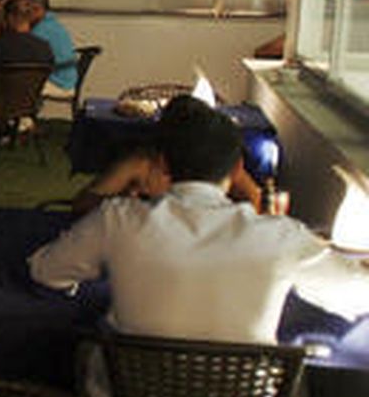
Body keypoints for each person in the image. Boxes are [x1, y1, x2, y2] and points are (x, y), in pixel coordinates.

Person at [31, 96, 369, 349]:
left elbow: (46, 272)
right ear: (237, 168)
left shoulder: (117, 219)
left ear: (162, 164)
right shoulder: (281, 237)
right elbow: (357, 295)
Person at [72, 97, 262, 216]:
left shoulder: (216, 160)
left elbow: (256, 203)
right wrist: (123, 201)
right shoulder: (143, 162)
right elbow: (83, 203)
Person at [26, 0, 79, 97]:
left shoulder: (40, 30)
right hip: (67, 79)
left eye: (28, 10)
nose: (25, 14)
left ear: (37, 9)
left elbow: (27, 58)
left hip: (58, 82)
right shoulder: (53, 24)